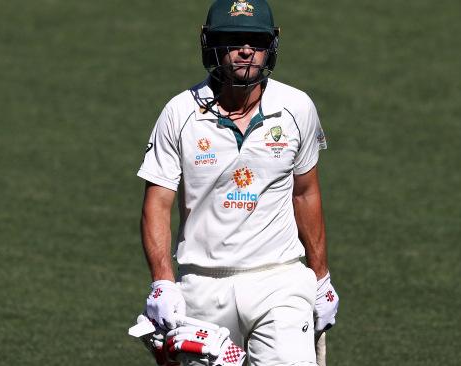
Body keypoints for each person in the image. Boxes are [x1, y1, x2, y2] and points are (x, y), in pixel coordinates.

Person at [136, 0, 339, 365]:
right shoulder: (179, 113)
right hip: (201, 286)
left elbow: (305, 193)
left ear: (270, 47)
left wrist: (320, 277)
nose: (246, 50)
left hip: (279, 280)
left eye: (256, 40)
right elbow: (158, 202)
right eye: (233, 39)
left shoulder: (297, 108)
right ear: (211, 44)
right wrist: (163, 282)